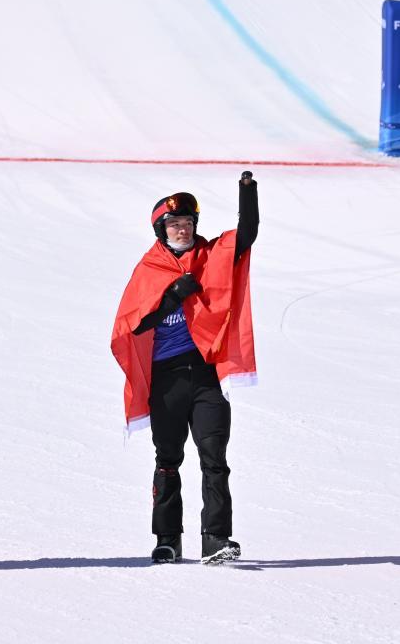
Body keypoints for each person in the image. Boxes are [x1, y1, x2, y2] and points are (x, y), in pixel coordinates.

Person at [112, 172, 259, 564]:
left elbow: (245, 236)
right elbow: (132, 324)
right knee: (168, 460)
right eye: (175, 224)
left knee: (215, 458)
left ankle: (216, 539)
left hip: (205, 374)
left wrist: (248, 192)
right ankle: (168, 539)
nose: (182, 230)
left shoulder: (210, 257)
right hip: (168, 379)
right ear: (161, 229)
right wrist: (170, 299)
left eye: (188, 223)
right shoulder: (149, 269)